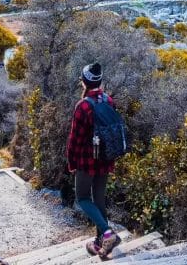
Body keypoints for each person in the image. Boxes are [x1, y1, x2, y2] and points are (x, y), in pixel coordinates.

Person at [65, 61, 122, 258]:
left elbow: (75, 139)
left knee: (82, 198)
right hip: (106, 158)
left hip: (87, 161)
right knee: (99, 199)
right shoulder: (109, 100)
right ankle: (101, 244)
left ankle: (108, 234)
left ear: (84, 82)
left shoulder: (83, 106)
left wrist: (72, 163)